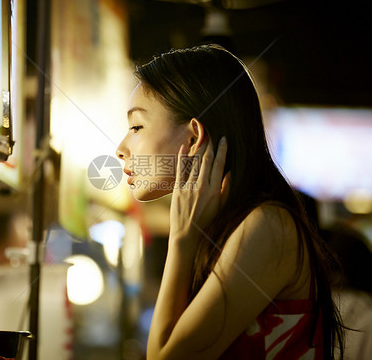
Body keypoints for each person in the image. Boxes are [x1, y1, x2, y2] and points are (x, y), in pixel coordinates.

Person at [116, 44, 343, 359]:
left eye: (136, 126)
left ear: (194, 136)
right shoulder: (230, 225)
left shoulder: (267, 225)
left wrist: (182, 238)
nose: (121, 148)